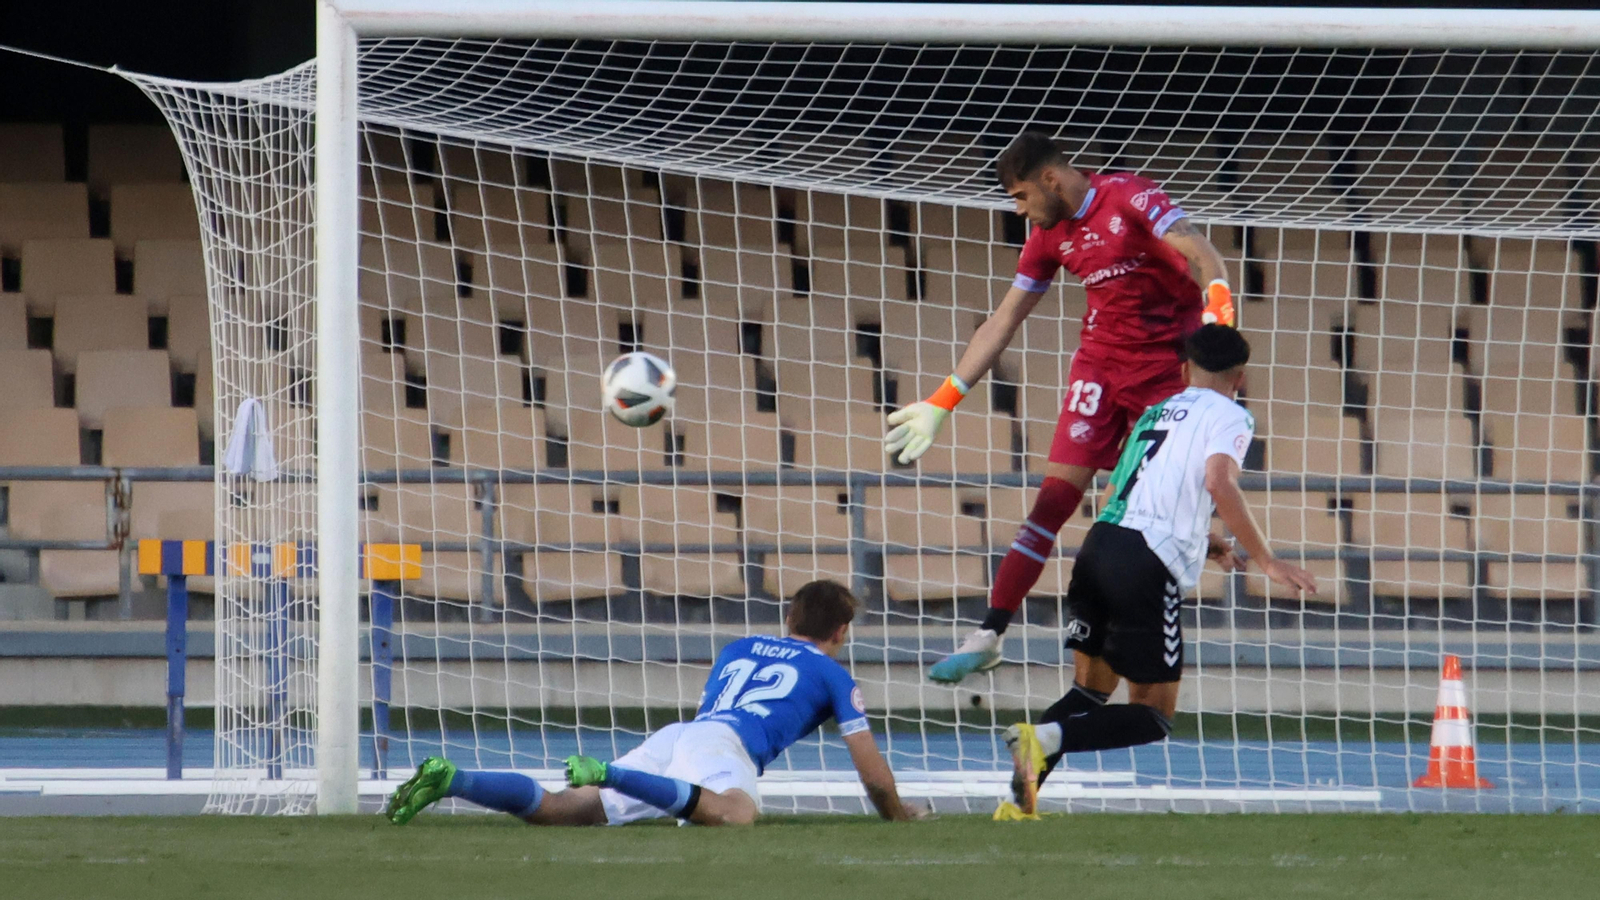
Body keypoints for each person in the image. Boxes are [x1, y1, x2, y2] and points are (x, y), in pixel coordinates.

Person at [883, 130, 1238, 684]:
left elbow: (1202, 251)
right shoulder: (1049, 238)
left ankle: (1129, 641)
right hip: (1098, 368)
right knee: (1052, 501)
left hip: (1164, 375)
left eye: (1022, 197)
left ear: (1050, 179)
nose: (1022, 212)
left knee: (1132, 519)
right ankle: (989, 634)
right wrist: (942, 400)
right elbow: (1002, 320)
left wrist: (1219, 301)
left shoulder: (1130, 197)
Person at [998, 324, 1318, 817]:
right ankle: (1041, 737)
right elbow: (1218, 482)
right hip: (1144, 564)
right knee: (1152, 716)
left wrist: (1204, 540)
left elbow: (1125, 492)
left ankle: (1018, 804)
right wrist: (1267, 559)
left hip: (1100, 545)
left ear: (1185, 369)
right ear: (1241, 377)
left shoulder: (1156, 411)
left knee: (1089, 690)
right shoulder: (1233, 415)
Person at [384, 579, 923, 826]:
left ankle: (453, 779)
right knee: (735, 816)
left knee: (560, 809)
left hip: (681, 735)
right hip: (722, 744)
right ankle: (609, 773)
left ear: (789, 619)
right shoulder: (833, 672)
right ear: (843, 630)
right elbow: (872, 773)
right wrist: (898, 816)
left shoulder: (735, 648)